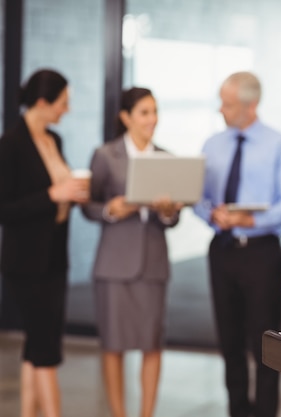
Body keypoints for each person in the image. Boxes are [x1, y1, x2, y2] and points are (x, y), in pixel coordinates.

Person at [193, 71, 281, 417]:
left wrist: (249, 220)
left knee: (264, 343)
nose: (221, 110)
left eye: (227, 104)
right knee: (229, 341)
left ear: (251, 105)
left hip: (261, 254)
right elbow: (198, 197)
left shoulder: (279, 145)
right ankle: (237, 410)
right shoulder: (212, 145)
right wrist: (212, 215)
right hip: (221, 250)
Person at [81, 87, 182, 417]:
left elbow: (173, 219)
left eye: (154, 111)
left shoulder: (166, 158)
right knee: (113, 345)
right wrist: (110, 209)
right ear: (125, 117)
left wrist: (168, 210)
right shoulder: (106, 155)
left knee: (152, 344)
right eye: (144, 112)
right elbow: (90, 206)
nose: (152, 119)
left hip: (152, 264)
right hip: (114, 264)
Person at [0, 69, 89, 417]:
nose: (66, 110)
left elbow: (59, 193)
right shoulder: (10, 145)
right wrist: (52, 195)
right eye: (63, 103)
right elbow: (4, 208)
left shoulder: (55, 140)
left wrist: (72, 195)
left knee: (36, 345)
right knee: (46, 348)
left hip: (54, 255)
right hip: (25, 262)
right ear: (42, 102)